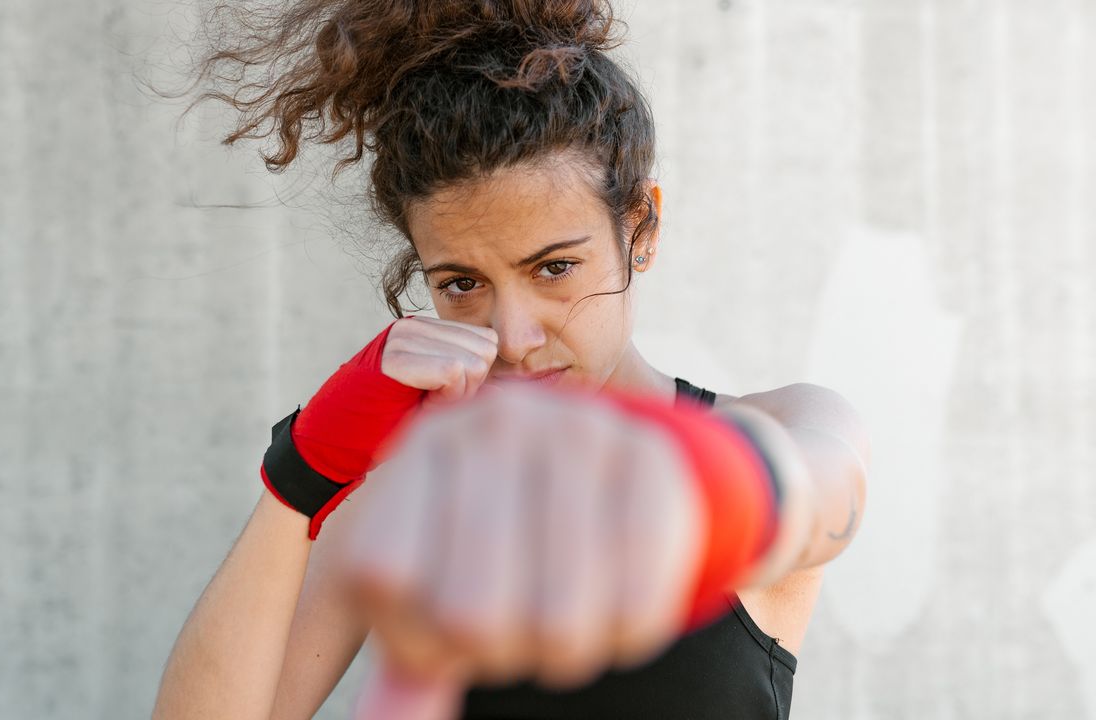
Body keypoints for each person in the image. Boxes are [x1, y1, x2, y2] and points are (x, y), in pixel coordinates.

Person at [150, 2, 870, 719]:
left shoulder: (787, 421)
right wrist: (302, 474)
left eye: (554, 268)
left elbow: (818, 494)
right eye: (461, 284)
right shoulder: (408, 495)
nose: (514, 337)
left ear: (640, 229)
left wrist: (676, 493)